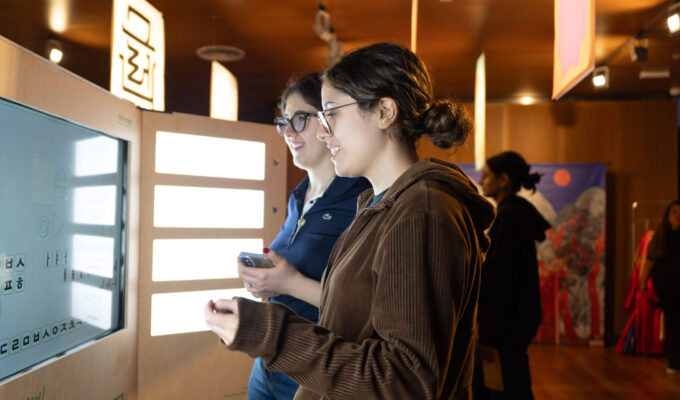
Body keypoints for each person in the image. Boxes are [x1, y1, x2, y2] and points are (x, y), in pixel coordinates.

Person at [205, 42, 495, 399]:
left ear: (384, 112)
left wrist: (271, 333)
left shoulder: (421, 211)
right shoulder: (379, 205)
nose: (322, 132)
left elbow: (405, 382)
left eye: (331, 114)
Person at [239, 73, 370, 399]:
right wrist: (266, 281)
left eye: (300, 119)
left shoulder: (361, 197)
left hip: (315, 365)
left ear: (328, 120)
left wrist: (289, 283)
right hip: (269, 357)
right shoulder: (298, 196)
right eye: (284, 121)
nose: (288, 132)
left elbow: (365, 306)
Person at [474, 151, 550, 400]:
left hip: (506, 323)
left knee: (503, 386)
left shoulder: (509, 215)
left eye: (486, 175)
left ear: (504, 179)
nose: (481, 180)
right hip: (516, 319)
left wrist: (488, 328)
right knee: (512, 381)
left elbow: (502, 278)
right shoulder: (515, 212)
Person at [640, 200, 680, 374]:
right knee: (674, 322)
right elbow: (650, 259)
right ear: (668, 215)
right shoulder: (661, 236)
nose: (678, 216)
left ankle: (675, 361)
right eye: (674, 212)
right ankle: (674, 362)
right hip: (666, 286)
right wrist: (643, 282)